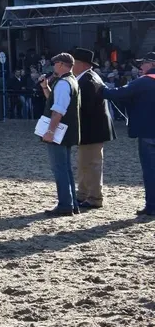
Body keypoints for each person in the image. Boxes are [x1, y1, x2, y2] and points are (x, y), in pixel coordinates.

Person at [101, 51, 155, 217]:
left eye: (144, 63)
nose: (140, 66)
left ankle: (152, 206)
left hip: (148, 132)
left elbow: (114, 93)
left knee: (150, 170)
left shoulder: (143, 82)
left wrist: (100, 86)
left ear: (152, 64)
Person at [38, 53, 82, 217]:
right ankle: (71, 203)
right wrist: (45, 87)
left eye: (55, 63)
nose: (53, 66)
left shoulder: (63, 84)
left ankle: (65, 204)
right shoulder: (71, 81)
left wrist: (50, 131)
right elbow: (55, 101)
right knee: (66, 168)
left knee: (60, 169)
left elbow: (58, 111)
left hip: (60, 132)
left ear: (62, 64)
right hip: (69, 131)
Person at [71, 48, 114, 211]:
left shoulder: (87, 81)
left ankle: (94, 197)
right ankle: (83, 193)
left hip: (92, 129)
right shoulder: (87, 78)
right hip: (91, 129)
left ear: (81, 64)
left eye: (74, 63)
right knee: (84, 162)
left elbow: (84, 108)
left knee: (91, 164)